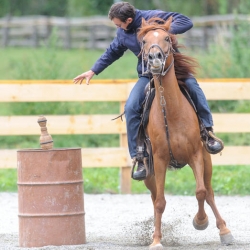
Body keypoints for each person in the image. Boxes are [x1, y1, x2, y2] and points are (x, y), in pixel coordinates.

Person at [73, 2, 224, 181]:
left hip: (173, 70)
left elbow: (186, 21)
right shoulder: (123, 33)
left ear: (128, 20)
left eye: (119, 24)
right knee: (130, 107)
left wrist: (162, 30)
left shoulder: (154, 16)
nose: (118, 28)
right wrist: (93, 71)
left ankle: (208, 133)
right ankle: (139, 156)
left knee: (194, 88)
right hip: (147, 74)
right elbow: (112, 51)